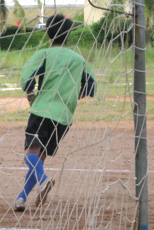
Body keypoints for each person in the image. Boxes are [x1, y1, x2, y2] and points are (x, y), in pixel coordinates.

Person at [14, 14, 96, 211]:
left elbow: (26, 80)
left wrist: (32, 96)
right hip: (64, 118)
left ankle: (44, 180)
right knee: (39, 160)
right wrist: (71, 97)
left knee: (30, 156)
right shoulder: (79, 59)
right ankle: (21, 199)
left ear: (48, 33)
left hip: (42, 111)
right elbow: (91, 86)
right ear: (69, 34)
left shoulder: (43, 54)